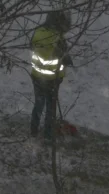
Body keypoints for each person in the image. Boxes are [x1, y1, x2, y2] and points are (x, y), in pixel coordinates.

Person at [30, 11, 73, 140]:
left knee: (38, 103)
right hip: (53, 79)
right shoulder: (58, 38)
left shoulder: (37, 32)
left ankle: (33, 130)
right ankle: (48, 134)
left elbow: (32, 47)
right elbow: (64, 58)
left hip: (37, 75)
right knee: (50, 107)